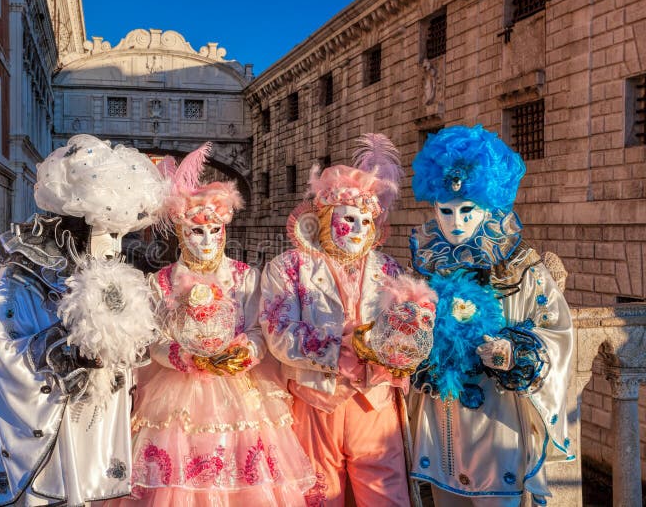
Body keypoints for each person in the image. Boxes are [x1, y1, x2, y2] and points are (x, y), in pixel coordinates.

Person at [0, 135, 168, 506]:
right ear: (77, 222)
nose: (115, 244)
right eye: (107, 230)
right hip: (52, 426)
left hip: (96, 427)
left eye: (120, 233)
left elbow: (131, 353)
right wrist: (71, 351)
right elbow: (5, 351)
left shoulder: (116, 270)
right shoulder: (24, 271)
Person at [111, 143, 315, 506]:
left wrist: (243, 353)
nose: (207, 241)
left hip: (239, 391)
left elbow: (258, 330)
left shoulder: (245, 278)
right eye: (196, 232)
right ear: (180, 234)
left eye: (214, 231)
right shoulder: (160, 282)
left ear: (224, 231)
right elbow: (151, 338)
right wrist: (181, 357)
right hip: (175, 396)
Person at [260, 134, 431, 506]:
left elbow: (404, 331)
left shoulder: (389, 269)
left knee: (388, 499)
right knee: (318, 497)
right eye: (348, 219)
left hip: (377, 408)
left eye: (366, 221)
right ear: (323, 219)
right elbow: (279, 333)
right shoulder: (289, 269)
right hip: (315, 404)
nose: (357, 229)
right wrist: (345, 345)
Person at [408, 125, 575, 506]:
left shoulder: (522, 267)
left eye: (468, 211)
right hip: (443, 416)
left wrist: (513, 353)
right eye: (446, 212)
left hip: (498, 415)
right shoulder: (426, 264)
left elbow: (556, 329)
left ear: (489, 207)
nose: (456, 223)